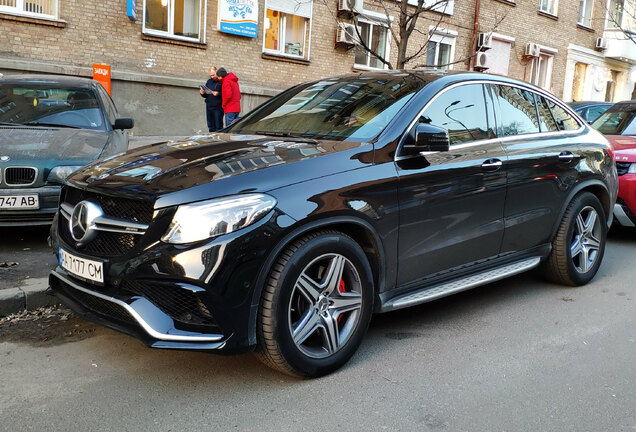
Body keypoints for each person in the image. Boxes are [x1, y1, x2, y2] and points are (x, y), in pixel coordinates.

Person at [200, 66, 223, 132]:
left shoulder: (221, 82)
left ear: (216, 72)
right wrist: (202, 93)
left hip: (218, 107)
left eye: (213, 75)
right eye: (210, 75)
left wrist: (218, 93)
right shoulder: (209, 81)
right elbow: (206, 95)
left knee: (218, 126)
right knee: (210, 126)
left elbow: (225, 94)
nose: (212, 77)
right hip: (209, 106)